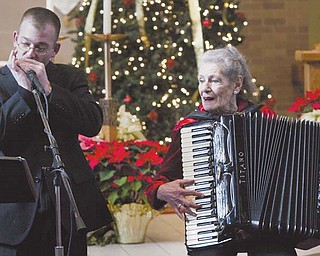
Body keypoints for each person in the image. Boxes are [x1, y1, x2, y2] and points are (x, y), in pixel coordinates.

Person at [145, 45, 299, 255]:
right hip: (211, 228)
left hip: (264, 226)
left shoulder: (262, 117)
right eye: (201, 80)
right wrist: (162, 191)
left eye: (214, 80)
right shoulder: (189, 127)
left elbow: (291, 169)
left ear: (236, 84)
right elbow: (158, 182)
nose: (204, 88)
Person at [0, 7, 112, 256]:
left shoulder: (69, 78)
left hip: (66, 203)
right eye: (26, 44)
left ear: (54, 50)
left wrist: (49, 89)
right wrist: (24, 92)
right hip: (14, 209)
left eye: (41, 48)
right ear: (15, 38)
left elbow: (92, 123)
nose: (30, 53)